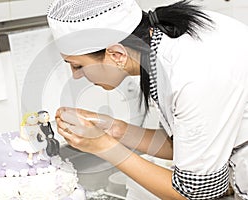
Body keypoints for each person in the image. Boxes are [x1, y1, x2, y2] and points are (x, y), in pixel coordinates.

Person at [47, 0, 248, 199]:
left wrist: (104, 146)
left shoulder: (190, 75)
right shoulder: (164, 44)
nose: (76, 75)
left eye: (78, 66)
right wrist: (115, 129)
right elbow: (188, 145)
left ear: (117, 54)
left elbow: (193, 194)